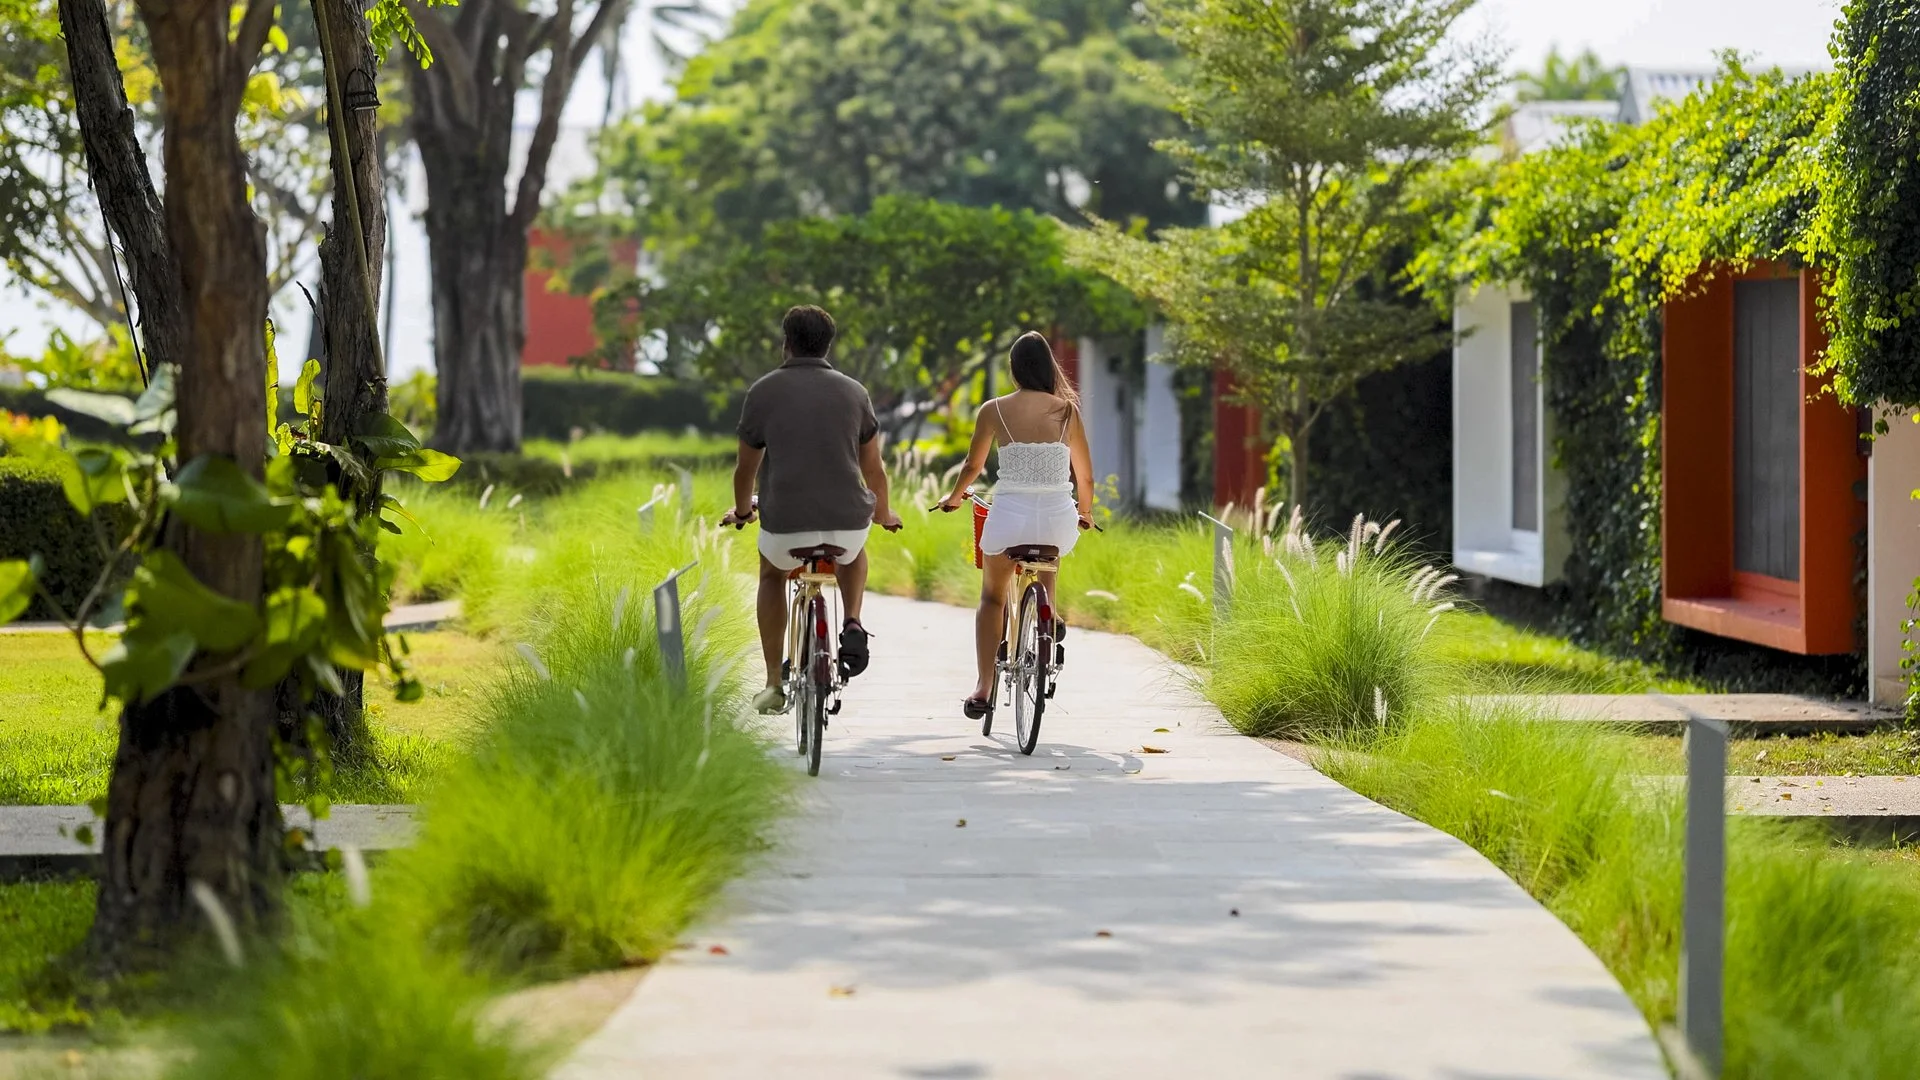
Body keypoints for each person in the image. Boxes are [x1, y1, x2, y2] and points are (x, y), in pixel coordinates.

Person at [722, 306, 903, 714]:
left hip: (785, 525)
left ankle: (772, 682)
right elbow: (874, 469)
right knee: (854, 552)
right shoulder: (855, 392)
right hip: (846, 525)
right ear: (828, 344)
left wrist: (742, 511)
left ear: (786, 342)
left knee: (771, 575)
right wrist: (885, 513)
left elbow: (745, 470)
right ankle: (853, 621)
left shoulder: (763, 392)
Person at [936, 331, 1094, 716]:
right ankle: (1049, 614)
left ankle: (983, 688)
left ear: (1014, 369)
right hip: (1057, 519)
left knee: (992, 596)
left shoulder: (994, 409)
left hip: (1010, 518)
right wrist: (1086, 513)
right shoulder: (1067, 412)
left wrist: (954, 497)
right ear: (1049, 368)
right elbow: (1084, 478)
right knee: (1048, 555)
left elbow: (973, 466)